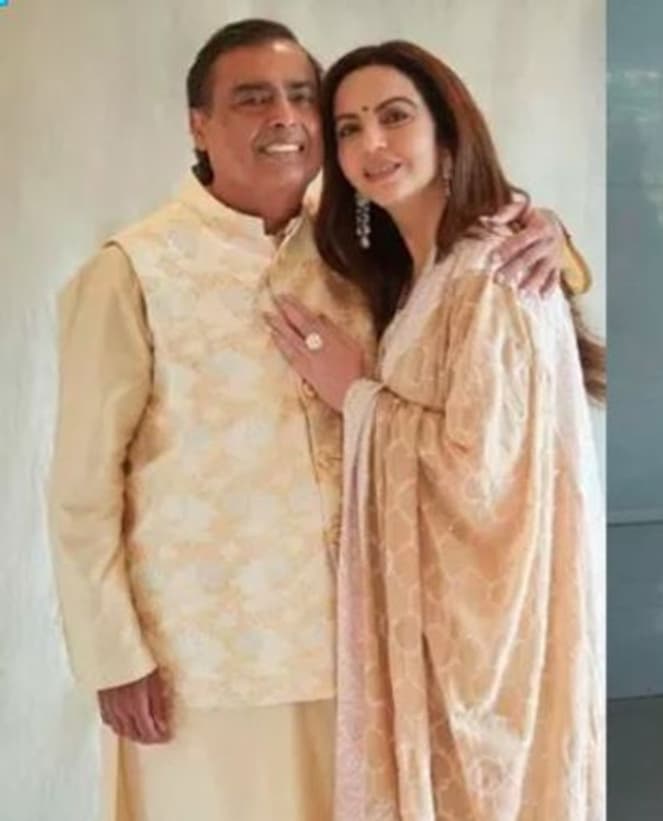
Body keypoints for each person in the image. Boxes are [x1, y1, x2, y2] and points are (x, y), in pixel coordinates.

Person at [47, 19, 586, 821]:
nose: (286, 118)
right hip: (211, 670)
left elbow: (471, 282)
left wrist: (553, 239)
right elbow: (81, 489)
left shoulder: (353, 244)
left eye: (303, 97)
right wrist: (112, 655)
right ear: (198, 124)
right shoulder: (132, 270)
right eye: (252, 99)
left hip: (372, 659)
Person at [264, 41, 605, 820]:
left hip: (484, 661)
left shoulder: (490, 274)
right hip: (427, 639)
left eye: (394, 117)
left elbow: (484, 476)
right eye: (349, 129)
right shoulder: (423, 272)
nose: (372, 144)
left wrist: (358, 398)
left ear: (448, 134)